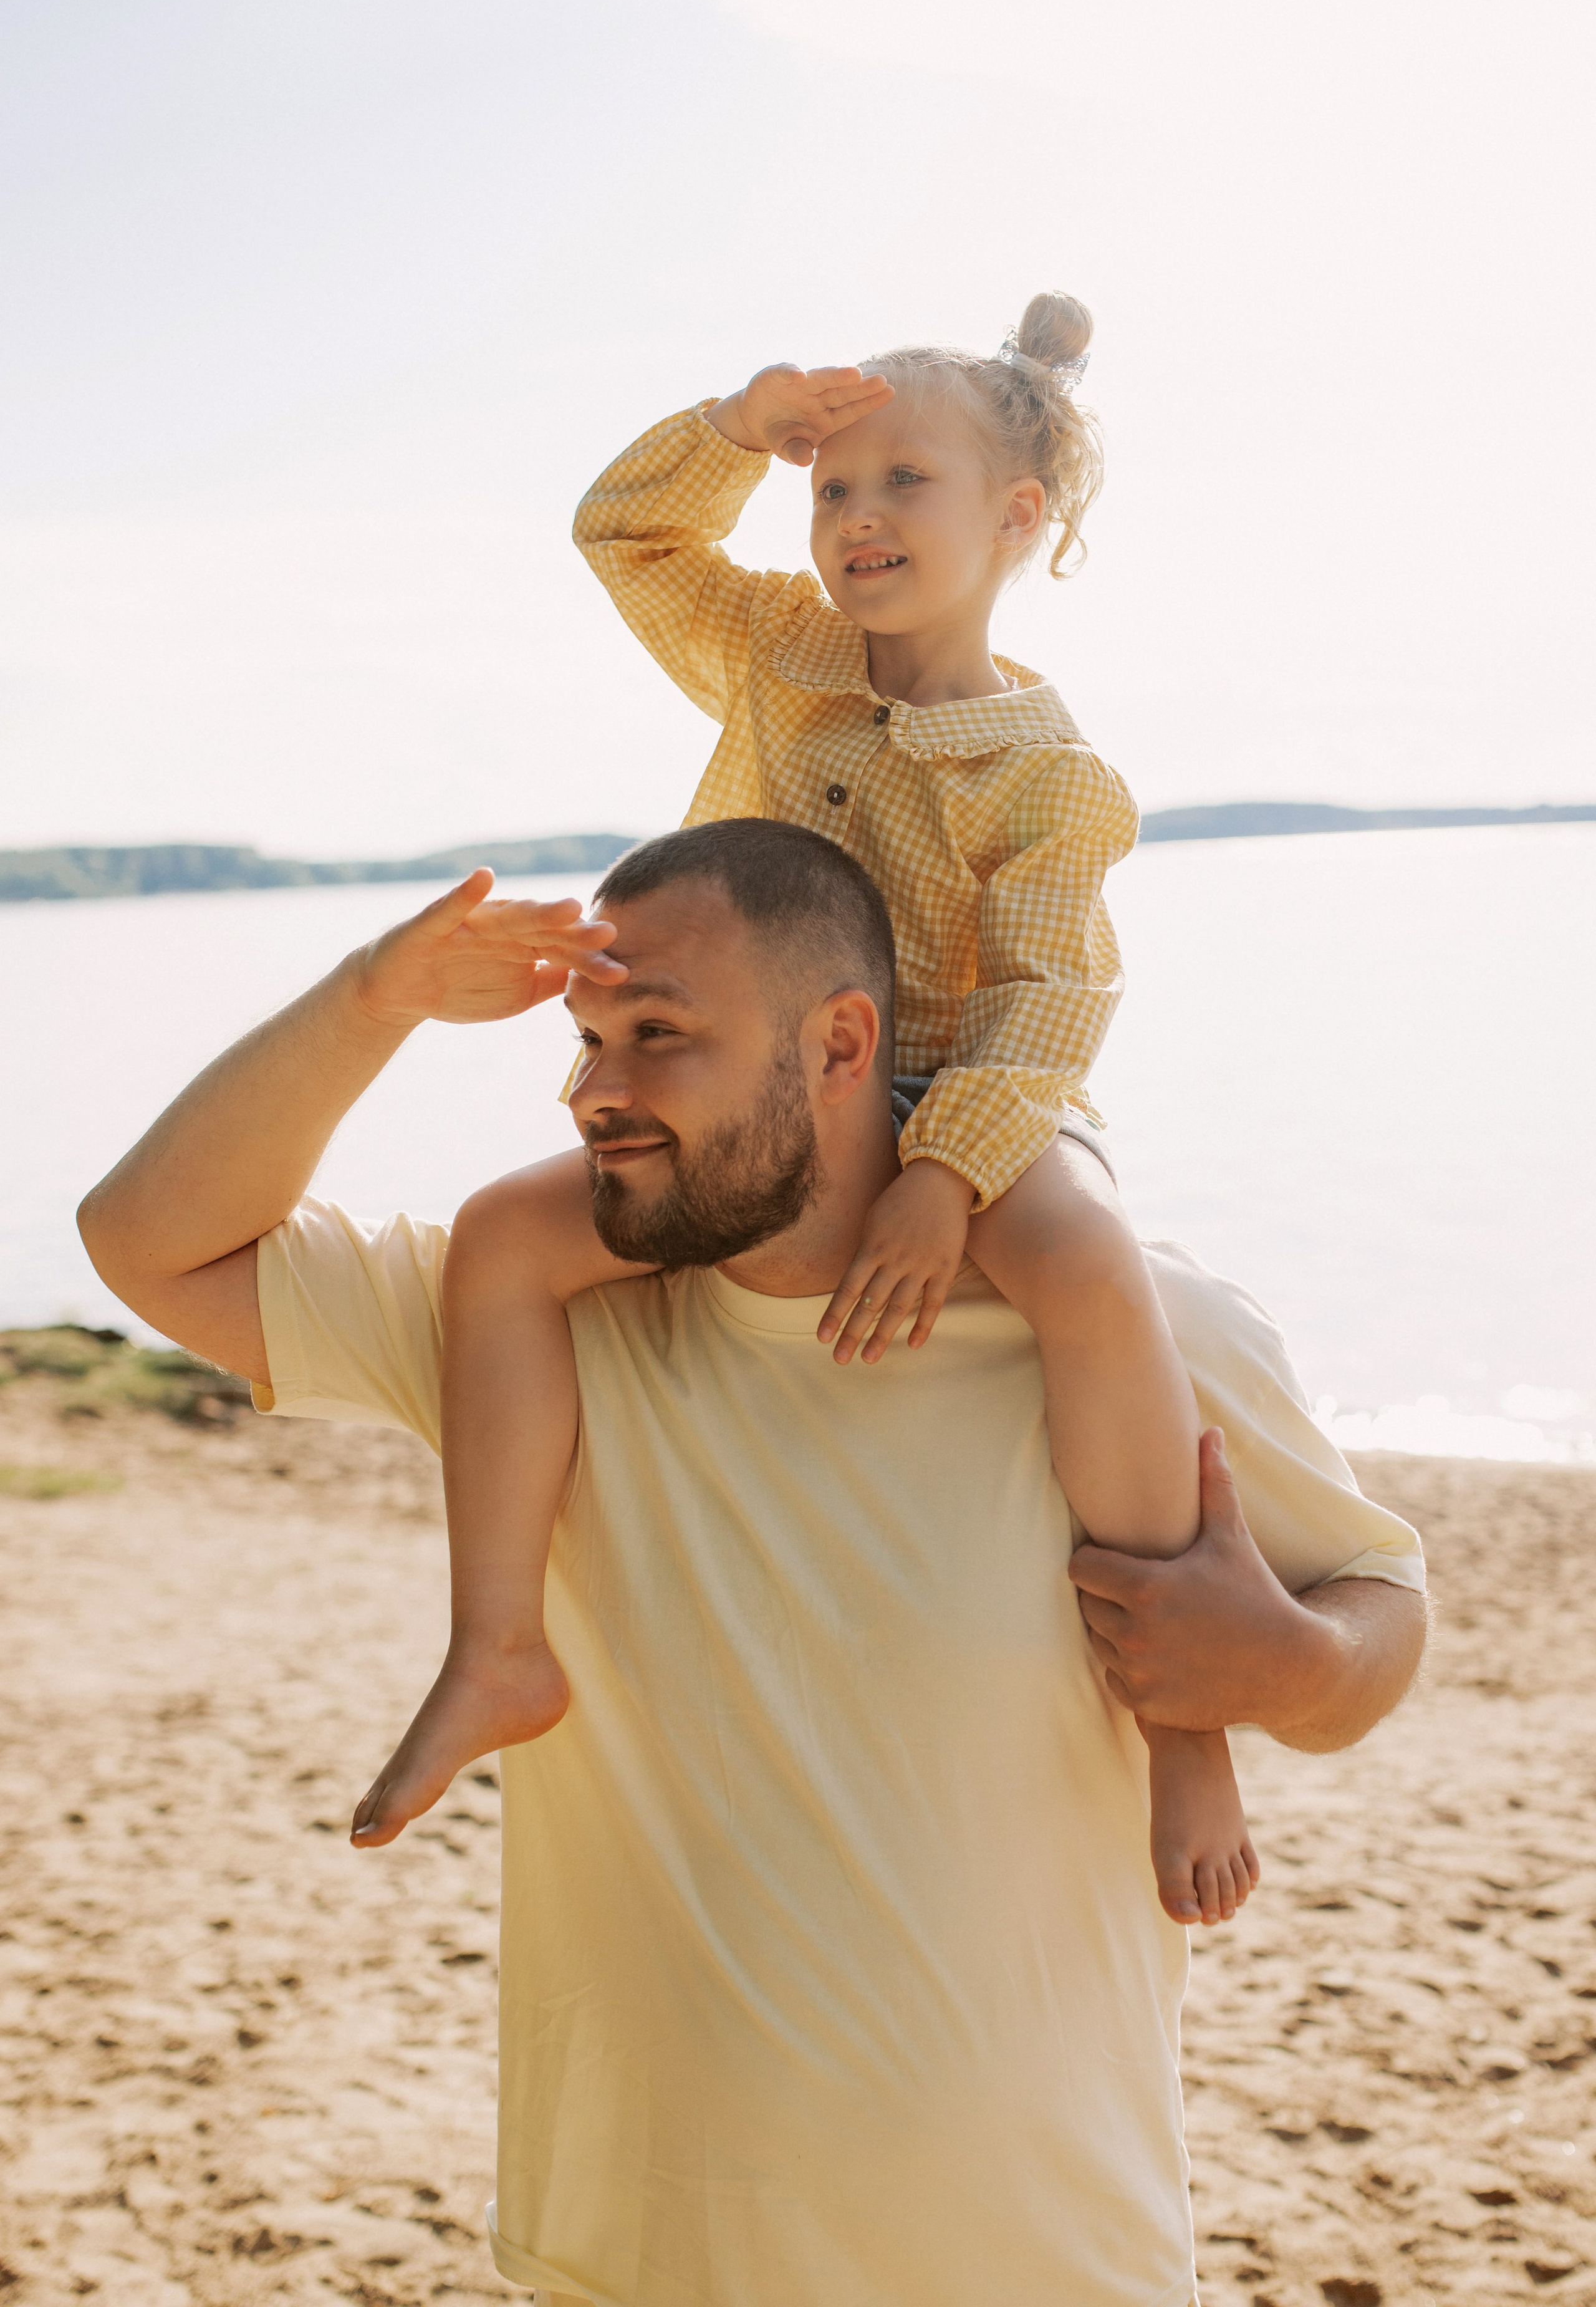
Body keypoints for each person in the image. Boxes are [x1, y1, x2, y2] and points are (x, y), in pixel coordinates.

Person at [78, 824, 1426, 2306]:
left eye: (659, 1036)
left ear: (842, 1042)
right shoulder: (524, 1331)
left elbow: (1378, 1604)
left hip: (1042, 2259)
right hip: (634, 2259)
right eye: (588, 1039)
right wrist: (367, 1001)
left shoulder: (1125, 1335)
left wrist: (1294, 1665)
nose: (597, 1090)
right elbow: (151, 1244)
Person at [367, 293, 1258, 1925]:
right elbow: (624, 533)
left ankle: (1187, 1723)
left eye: (902, 482)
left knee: (1080, 1260)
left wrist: (946, 1177)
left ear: (1019, 517)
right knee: (503, 1238)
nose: (856, 520)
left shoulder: (1053, 774)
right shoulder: (776, 647)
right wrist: (731, 422)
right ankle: (496, 1646)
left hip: (962, 1093)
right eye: (829, 488)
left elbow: (1051, 1000)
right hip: (765, 1094)